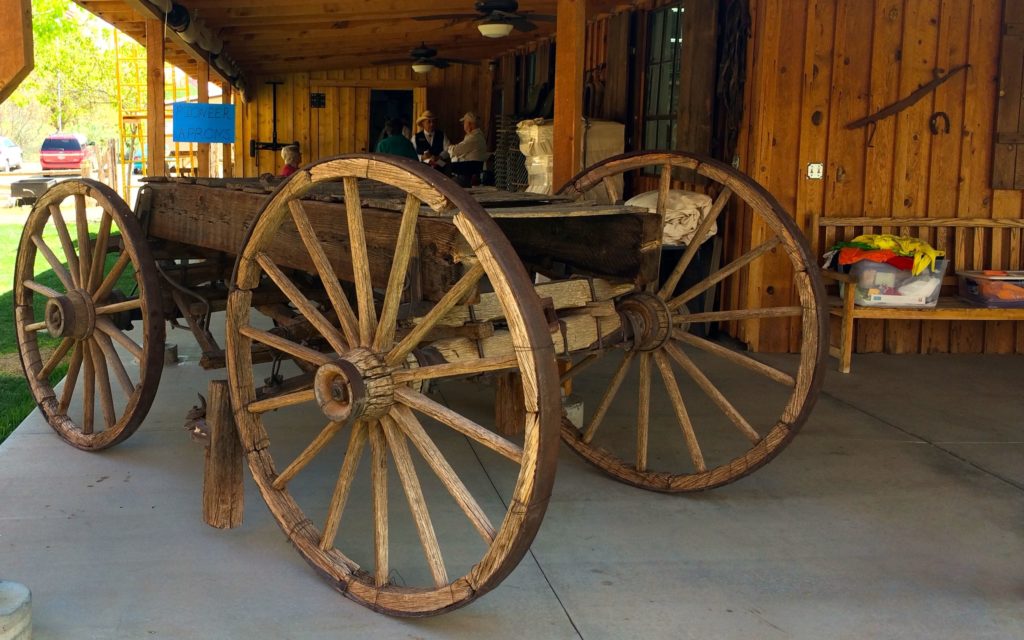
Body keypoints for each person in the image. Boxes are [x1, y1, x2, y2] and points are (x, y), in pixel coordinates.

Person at [442, 111, 488, 185]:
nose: (464, 125)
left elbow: (455, 150)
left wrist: (451, 148)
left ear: (469, 124)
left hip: (468, 170)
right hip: (469, 168)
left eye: (464, 123)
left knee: (444, 167)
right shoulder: (476, 136)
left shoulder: (474, 138)